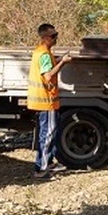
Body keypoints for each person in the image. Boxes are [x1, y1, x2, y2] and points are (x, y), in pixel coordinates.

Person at [27, 23, 74, 179]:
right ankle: (42, 169)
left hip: (43, 101)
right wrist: (63, 62)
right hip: (46, 101)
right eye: (53, 36)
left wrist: (58, 59)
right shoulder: (44, 54)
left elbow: (48, 64)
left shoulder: (41, 51)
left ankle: (47, 162)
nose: (56, 38)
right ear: (45, 37)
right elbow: (48, 75)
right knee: (48, 134)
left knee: (46, 134)